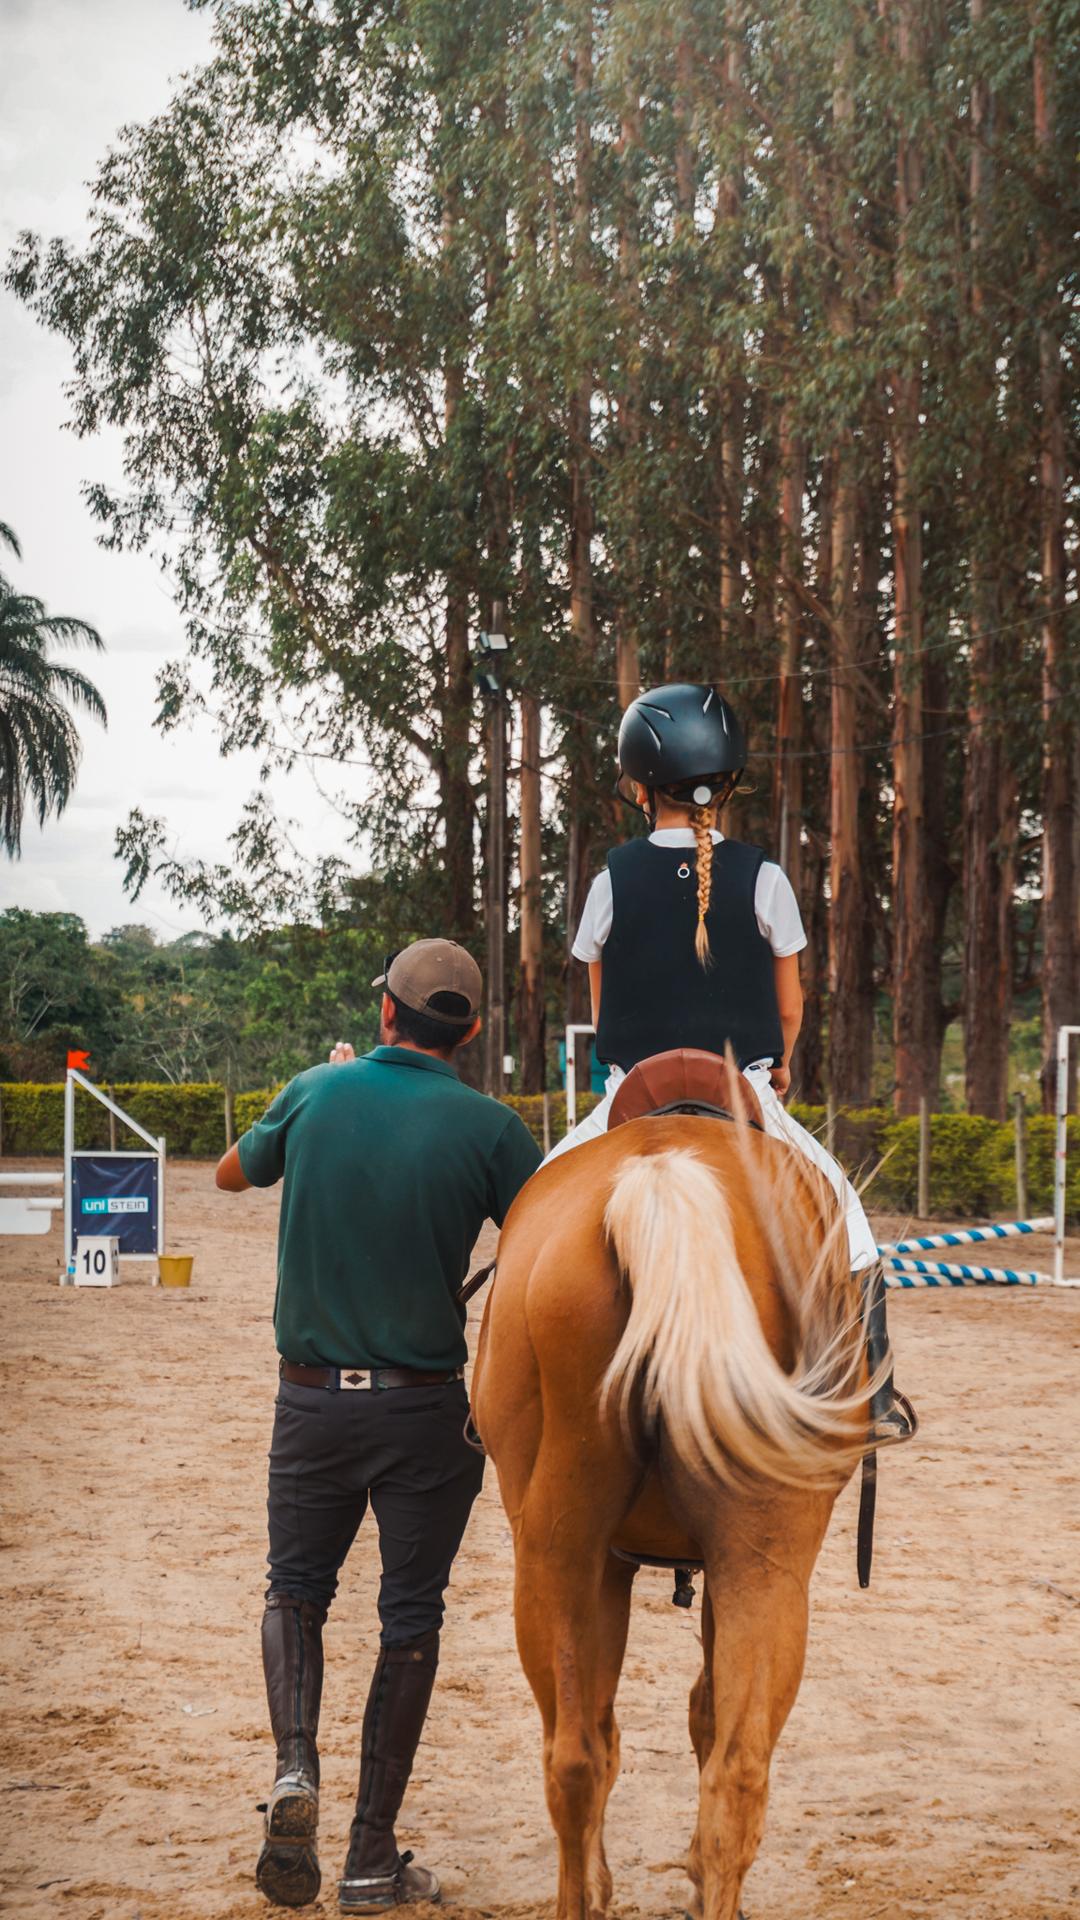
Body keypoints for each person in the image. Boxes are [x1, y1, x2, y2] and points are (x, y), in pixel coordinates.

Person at [216, 939, 542, 1913]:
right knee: (410, 1618)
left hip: (312, 1401)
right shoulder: (491, 1128)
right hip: (425, 1410)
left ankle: (295, 1772)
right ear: (472, 1032)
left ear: (386, 1013)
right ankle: (368, 1859)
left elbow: (233, 1175)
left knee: (297, 1590)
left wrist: (316, 1107)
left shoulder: (318, 1089)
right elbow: (544, 1234)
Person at [549, 680, 915, 1445]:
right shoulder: (767, 878)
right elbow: (789, 1008)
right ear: (727, 783)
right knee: (849, 1221)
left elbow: (601, 998)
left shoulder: (610, 879)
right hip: (740, 1088)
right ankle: (874, 1393)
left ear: (642, 787)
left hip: (629, 1095)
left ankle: (499, 1391)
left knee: (536, 1205)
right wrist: (776, 1069)